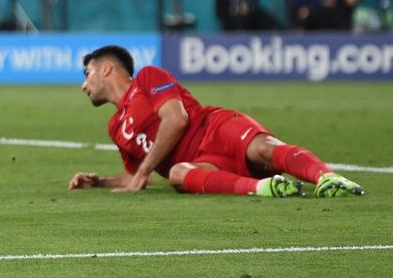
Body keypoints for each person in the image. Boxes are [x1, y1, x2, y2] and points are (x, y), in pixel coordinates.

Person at [68, 44, 364, 198]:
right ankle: (265, 188)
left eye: (87, 74)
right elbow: (133, 177)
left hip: (214, 128)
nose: (83, 86)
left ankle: (327, 178)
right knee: (178, 174)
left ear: (106, 69)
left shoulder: (148, 77)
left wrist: (144, 171)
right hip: (202, 163)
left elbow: (176, 119)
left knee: (264, 149)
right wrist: (100, 182)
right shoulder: (115, 128)